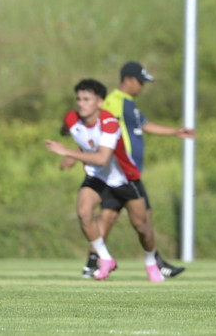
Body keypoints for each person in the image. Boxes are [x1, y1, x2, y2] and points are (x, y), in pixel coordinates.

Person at [80, 62, 194, 279]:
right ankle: (151, 263)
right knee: (131, 219)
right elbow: (98, 124)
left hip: (129, 172)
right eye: (140, 82)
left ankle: (95, 263)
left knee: (112, 217)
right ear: (128, 80)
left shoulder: (129, 104)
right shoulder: (114, 101)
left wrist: (175, 131)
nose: (142, 86)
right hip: (121, 172)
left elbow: (144, 125)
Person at [46, 79, 166, 282]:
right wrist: (73, 153)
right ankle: (105, 258)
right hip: (97, 178)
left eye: (87, 99)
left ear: (100, 102)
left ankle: (150, 262)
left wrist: (68, 152)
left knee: (141, 226)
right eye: (78, 99)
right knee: (84, 213)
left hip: (123, 179)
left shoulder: (110, 123)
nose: (81, 103)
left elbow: (102, 158)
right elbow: (73, 132)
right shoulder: (72, 118)